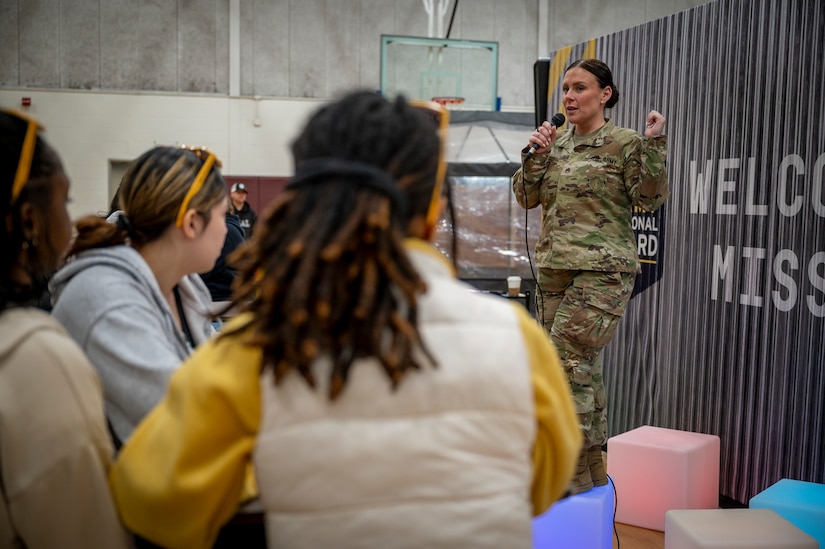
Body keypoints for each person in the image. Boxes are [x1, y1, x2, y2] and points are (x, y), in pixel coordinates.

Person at [108, 90, 581, 549]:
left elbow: (154, 501)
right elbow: (542, 484)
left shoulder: (255, 346)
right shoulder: (516, 338)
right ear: (433, 210)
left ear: (304, 203)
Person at [512, 58, 669, 493]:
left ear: (605, 95)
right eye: (565, 88)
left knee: (566, 363)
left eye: (580, 88)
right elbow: (526, 197)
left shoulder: (626, 142)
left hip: (602, 272)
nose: (569, 96)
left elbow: (650, 199)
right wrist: (536, 155)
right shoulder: (555, 142)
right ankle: (593, 475)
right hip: (554, 271)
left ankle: (567, 471)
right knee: (580, 368)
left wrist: (655, 144)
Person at [0, 109, 130, 547]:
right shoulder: (34, 359)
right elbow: (87, 533)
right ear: (30, 221)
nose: (71, 223)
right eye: (66, 202)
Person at [50, 145, 227, 445]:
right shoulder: (106, 300)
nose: (227, 230)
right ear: (193, 223)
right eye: (224, 216)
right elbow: (184, 424)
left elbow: (214, 377)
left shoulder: (185, 284)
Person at [200, 202, 245, 302]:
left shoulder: (226, 233)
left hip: (220, 302)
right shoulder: (230, 230)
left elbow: (203, 271)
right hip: (219, 299)